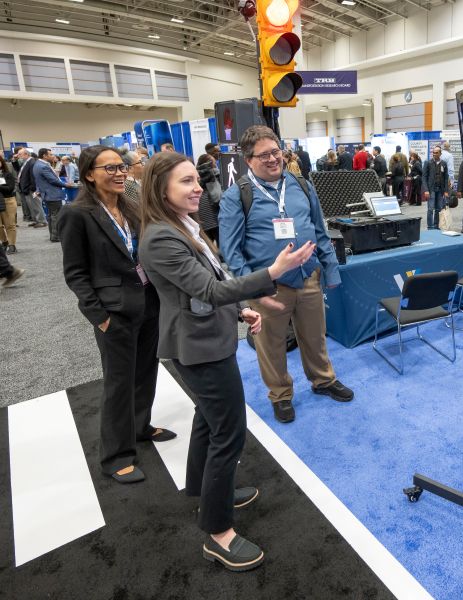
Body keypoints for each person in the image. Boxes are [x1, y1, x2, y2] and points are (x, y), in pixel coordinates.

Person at [138, 151, 315, 572]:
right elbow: (210, 290)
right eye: (186, 181)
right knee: (229, 434)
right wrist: (272, 273)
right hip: (199, 349)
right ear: (161, 189)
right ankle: (218, 533)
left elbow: (213, 279)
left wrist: (241, 310)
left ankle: (203, 490)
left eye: (196, 180)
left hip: (208, 339)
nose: (198, 187)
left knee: (209, 420)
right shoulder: (161, 237)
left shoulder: (183, 225)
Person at [219, 125, 354, 424]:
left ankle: (323, 379)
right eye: (263, 155)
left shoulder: (301, 185)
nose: (272, 159)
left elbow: (319, 230)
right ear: (248, 159)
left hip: (308, 278)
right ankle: (280, 395)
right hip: (268, 286)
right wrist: (253, 291)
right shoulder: (237, 196)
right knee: (271, 345)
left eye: (275, 151)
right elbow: (231, 252)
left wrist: (330, 270)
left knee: (315, 336)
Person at [57, 145, 174, 484]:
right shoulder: (76, 214)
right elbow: (75, 273)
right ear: (89, 174)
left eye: (121, 166)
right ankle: (116, 456)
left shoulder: (130, 206)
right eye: (109, 168)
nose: (120, 173)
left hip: (148, 302)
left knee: (146, 370)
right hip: (114, 311)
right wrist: (99, 315)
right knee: (119, 382)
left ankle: (139, 426)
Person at [33, 148, 76, 242]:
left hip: (47, 194)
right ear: (44, 156)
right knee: (56, 216)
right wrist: (66, 185)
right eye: (51, 154)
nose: (53, 156)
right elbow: (52, 180)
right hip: (52, 194)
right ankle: (56, 236)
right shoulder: (43, 166)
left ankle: (53, 235)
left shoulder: (38, 164)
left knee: (51, 216)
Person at [195, 154, 223, 244]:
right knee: (222, 246)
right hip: (215, 216)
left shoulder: (196, 176)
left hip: (202, 217)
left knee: (207, 246)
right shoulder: (216, 174)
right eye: (214, 162)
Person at [17, 148, 46, 228]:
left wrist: (32, 188)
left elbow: (33, 177)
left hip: (31, 189)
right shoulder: (26, 162)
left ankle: (42, 221)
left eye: (20, 154)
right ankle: (37, 220)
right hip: (28, 189)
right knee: (32, 206)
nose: (18, 156)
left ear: (26, 154)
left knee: (36, 205)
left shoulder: (31, 162)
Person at [423, 146, 449, 229]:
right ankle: (430, 227)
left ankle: (436, 226)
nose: (434, 154)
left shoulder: (444, 163)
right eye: (433, 152)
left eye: (436, 153)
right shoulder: (428, 163)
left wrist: (446, 191)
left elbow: (446, 178)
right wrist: (426, 190)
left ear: (440, 153)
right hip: (431, 190)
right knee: (430, 209)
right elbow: (424, 177)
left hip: (440, 190)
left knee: (438, 208)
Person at [0, 155, 17, 254]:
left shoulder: (7, 174)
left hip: (8, 201)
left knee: (10, 224)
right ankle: (4, 241)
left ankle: (12, 244)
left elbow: (10, 188)